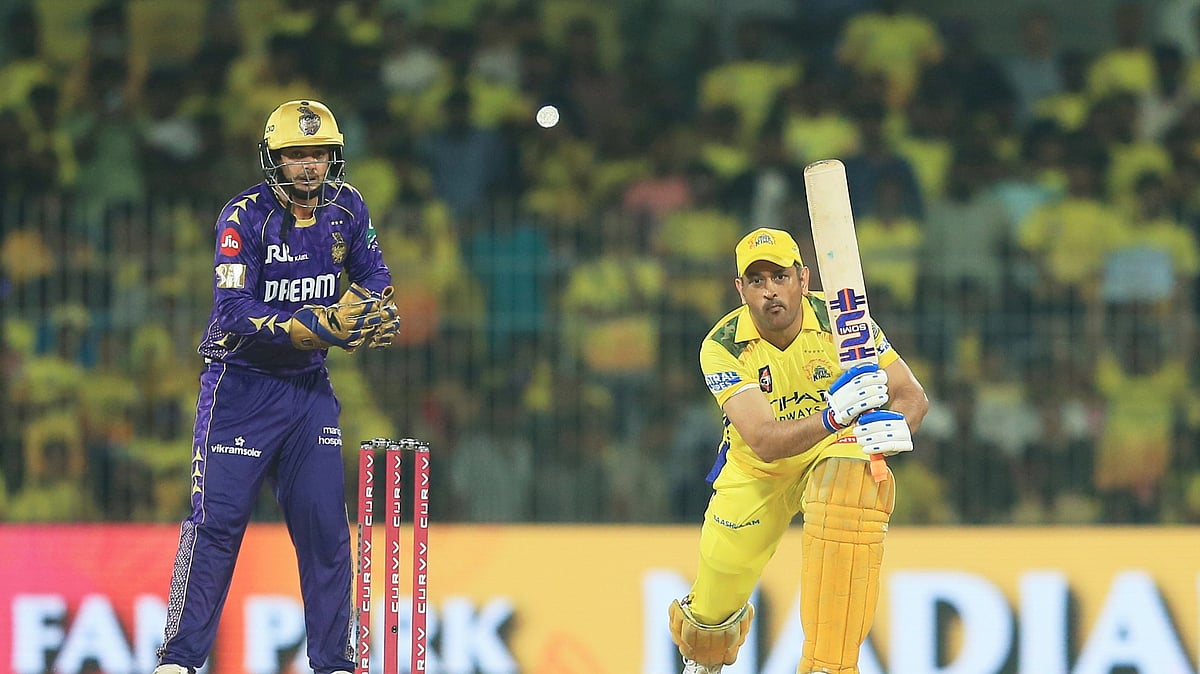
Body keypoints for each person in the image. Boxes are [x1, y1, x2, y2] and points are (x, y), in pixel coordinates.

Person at [153, 99, 399, 674]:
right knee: (215, 525)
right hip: (239, 388)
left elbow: (374, 274)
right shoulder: (243, 216)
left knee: (325, 532)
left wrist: (362, 308)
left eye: (317, 154)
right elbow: (233, 310)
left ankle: (335, 664)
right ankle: (180, 661)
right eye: (295, 155)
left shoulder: (349, 206)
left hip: (308, 391)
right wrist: (318, 325)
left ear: (332, 157)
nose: (308, 166)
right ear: (274, 158)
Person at [667, 227, 929, 674]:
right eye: (756, 281)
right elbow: (765, 441)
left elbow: (911, 395)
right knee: (707, 626)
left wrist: (898, 425)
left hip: (832, 451)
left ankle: (829, 665)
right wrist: (832, 414)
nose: (770, 291)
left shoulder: (842, 322)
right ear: (740, 289)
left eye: (780, 277)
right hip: (757, 474)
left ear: (803, 279)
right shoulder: (723, 345)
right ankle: (705, 661)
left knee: (851, 487)